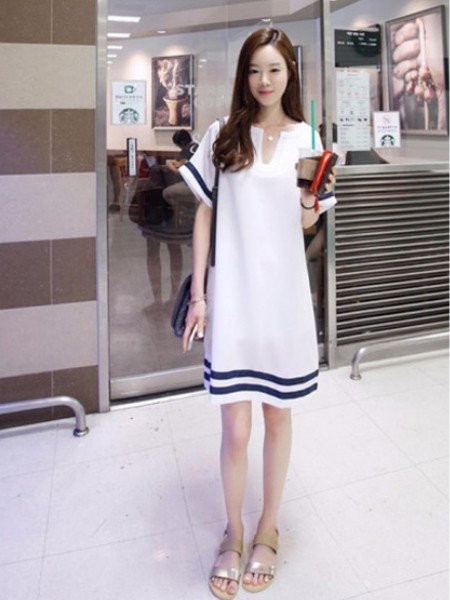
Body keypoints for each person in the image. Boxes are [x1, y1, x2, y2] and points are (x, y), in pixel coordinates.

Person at [179, 28, 336, 599]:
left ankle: (268, 528)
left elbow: (307, 223)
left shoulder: (307, 138)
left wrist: (311, 197)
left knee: (276, 417)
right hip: (235, 299)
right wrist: (200, 295)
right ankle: (234, 531)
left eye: (274, 69)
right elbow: (204, 214)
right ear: (243, 75)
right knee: (235, 428)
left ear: (290, 73)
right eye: (253, 70)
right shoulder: (224, 134)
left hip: (284, 300)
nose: (263, 81)